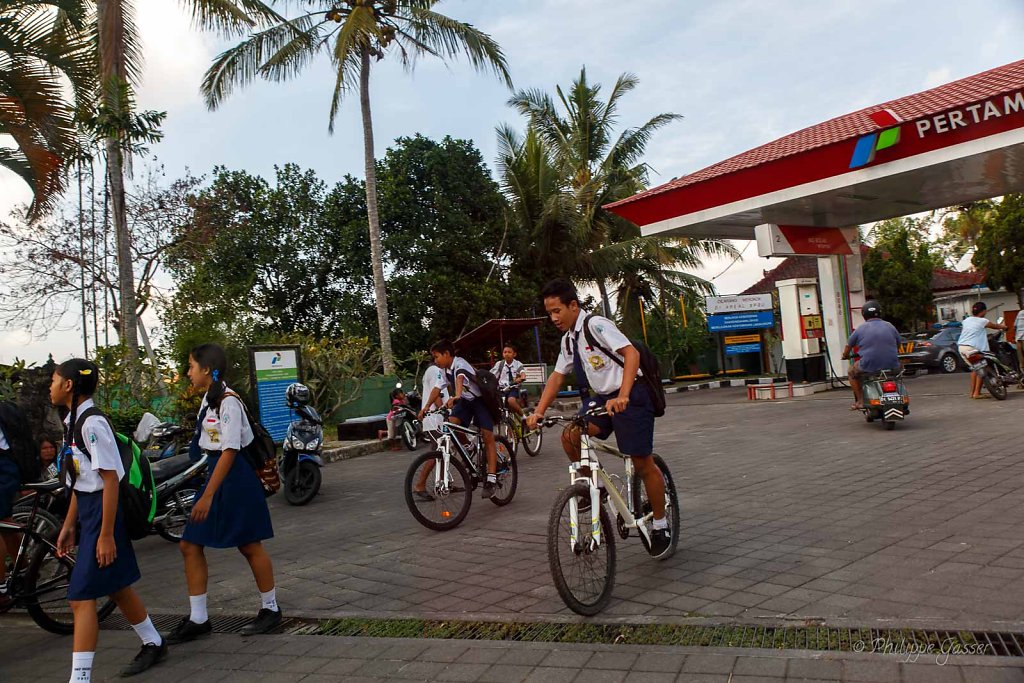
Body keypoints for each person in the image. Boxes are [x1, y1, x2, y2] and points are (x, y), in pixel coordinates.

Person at [525, 279, 672, 558]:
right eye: (549, 313)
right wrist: (539, 412)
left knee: (641, 461)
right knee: (570, 435)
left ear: (573, 306)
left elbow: (632, 354)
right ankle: (599, 489)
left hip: (632, 393)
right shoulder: (569, 339)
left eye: (557, 311)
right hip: (604, 398)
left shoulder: (596, 325)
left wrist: (624, 395)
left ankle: (661, 524)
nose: (553, 318)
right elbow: (557, 375)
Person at [52, 359, 167, 680]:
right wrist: (68, 525)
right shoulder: (72, 421)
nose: (50, 386)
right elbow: (79, 482)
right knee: (116, 587)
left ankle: (80, 678)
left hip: (105, 513)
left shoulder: (92, 424)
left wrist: (105, 535)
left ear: (69, 385)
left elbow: (110, 480)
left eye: (54, 379)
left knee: (80, 598)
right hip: (90, 511)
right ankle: (154, 642)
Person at [166, 343, 281, 645]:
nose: (188, 372)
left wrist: (206, 496)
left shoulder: (228, 402)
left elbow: (230, 451)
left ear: (206, 369)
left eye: (191, 366)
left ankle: (270, 610)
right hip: (217, 473)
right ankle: (198, 618)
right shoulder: (210, 397)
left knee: (249, 545)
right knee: (190, 545)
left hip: (235, 477)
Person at [416, 340, 499, 499]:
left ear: (447, 354)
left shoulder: (460, 364)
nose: (435, 361)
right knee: (450, 426)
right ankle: (468, 447)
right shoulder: (445, 370)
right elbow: (437, 388)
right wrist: (426, 407)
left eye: (437, 356)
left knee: (487, 435)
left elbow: (460, 378)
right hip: (466, 403)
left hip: (480, 402)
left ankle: (491, 478)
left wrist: (457, 395)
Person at [841, 300, 902, 410]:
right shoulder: (890, 326)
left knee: (851, 372)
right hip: (892, 364)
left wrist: (845, 355)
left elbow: (848, 346)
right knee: (896, 375)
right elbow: (898, 343)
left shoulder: (860, 329)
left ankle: (860, 401)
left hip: (869, 365)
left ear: (864, 314)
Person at [958, 301, 1008, 399]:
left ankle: (972, 393)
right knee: (982, 367)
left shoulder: (966, 320)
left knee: (975, 369)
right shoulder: (983, 321)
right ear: (984, 311)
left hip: (962, 348)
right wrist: (1005, 327)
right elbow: (996, 326)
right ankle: (976, 393)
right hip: (972, 348)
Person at [491, 344, 527, 417]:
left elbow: (522, 372)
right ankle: (508, 425)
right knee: (501, 408)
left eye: (509, 352)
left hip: (513, 388)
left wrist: (521, 378)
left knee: (511, 401)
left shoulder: (517, 364)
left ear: (514, 354)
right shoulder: (499, 364)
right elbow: (492, 375)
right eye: (505, 352)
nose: (507, 354)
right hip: (502, 389)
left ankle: (524, 417)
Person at [420, 362, 448, 437]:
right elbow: (436, 394)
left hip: (431, 418)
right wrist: (444, 412)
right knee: (443, 445)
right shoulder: (435, 371)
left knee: (438, 446)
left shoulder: (428, 372)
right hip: (437, 418)